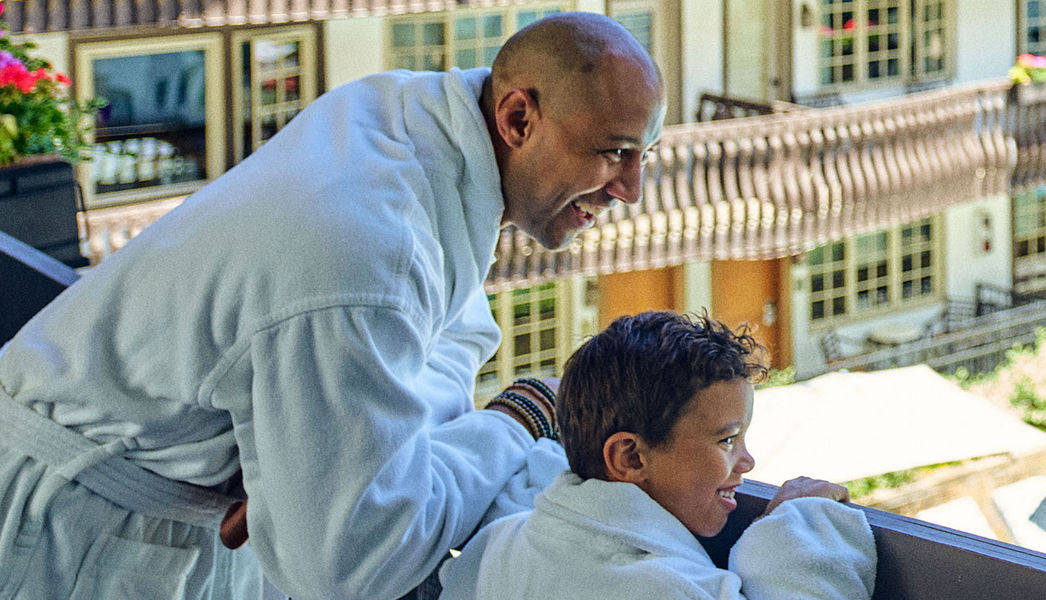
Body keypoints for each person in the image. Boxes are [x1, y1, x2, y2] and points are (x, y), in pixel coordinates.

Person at [0, 13, 662, 599]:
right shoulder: (364, 250)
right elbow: (356, 566)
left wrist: (295, 464)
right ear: (519, 119)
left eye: (642, 155)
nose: (630, 189)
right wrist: (516, 420)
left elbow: (443, 342)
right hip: (69, 538)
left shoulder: (406, 122)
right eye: (613, 153)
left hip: (145, 509)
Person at [440, 312, 875, 599]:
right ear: (630, 458)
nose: (747, 462)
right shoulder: (659, 588)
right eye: (727, 441)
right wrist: (801, 528)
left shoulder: (506, 545)